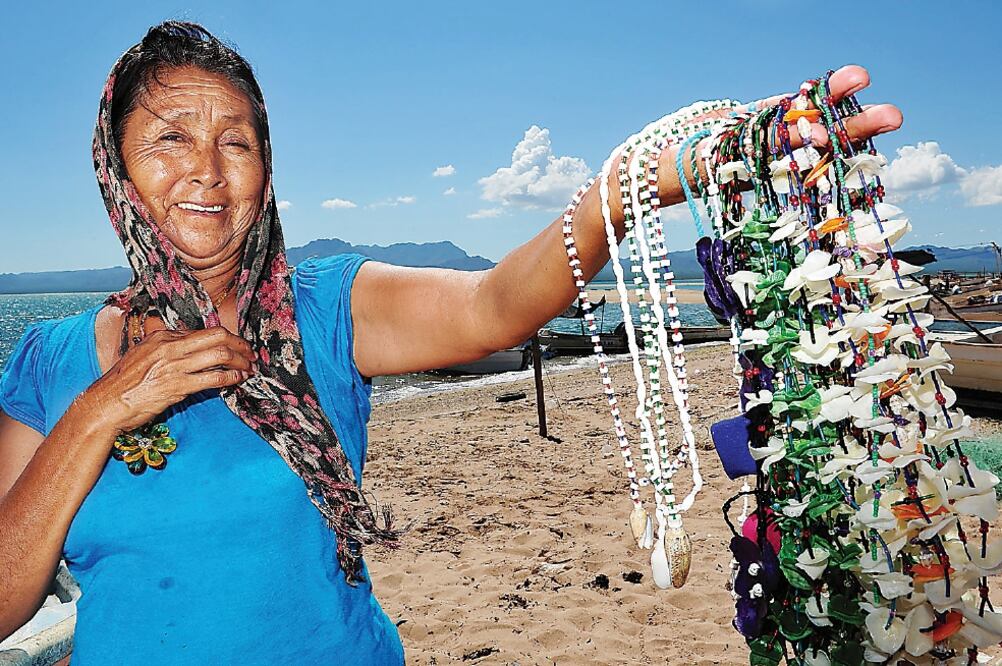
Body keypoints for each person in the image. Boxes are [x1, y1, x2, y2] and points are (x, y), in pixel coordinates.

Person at [0, 20, 902, 664]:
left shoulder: (325, 309)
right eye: (168, 139)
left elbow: (495, 305)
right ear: (115, 168)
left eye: (236, 141)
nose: (205, 168)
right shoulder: (51, 362)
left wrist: (634, 180)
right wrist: (101, 410)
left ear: (266, 172)